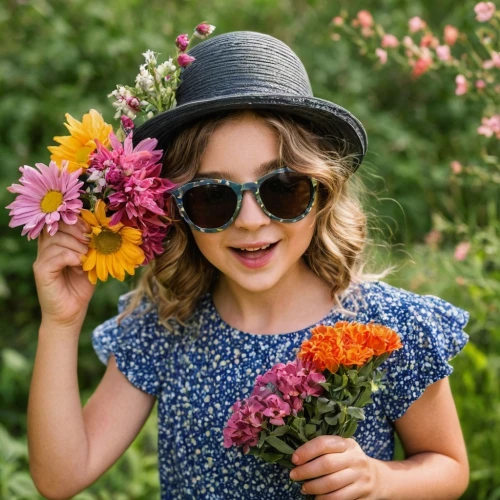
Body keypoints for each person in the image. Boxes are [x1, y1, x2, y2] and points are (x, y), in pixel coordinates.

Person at [27, 31, 470, 499]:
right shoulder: (164, 326)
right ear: (173, 209)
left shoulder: (386, 328)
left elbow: (448, 466)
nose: (251, 222)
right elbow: (60, 477)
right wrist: (60, 321)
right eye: (213, 197)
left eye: (282, 188)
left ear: (323, 190)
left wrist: (379, 480)